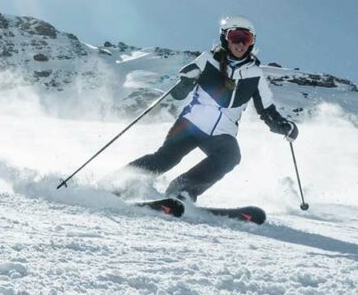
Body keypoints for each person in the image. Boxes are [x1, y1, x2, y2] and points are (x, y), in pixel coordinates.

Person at [122, 15, 298, 201]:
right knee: (166, 158)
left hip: (222, 132)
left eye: (246, 39)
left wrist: (282, 125)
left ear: (252, 43)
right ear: (225, 38)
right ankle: (121, 181)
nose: (240, 44)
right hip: (190, 124)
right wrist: (185, 83)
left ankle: (182, 189)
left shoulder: (255, 75)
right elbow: (180, 89)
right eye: (235, 37)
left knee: (230, 157)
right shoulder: (207, 61)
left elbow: (267, 110)